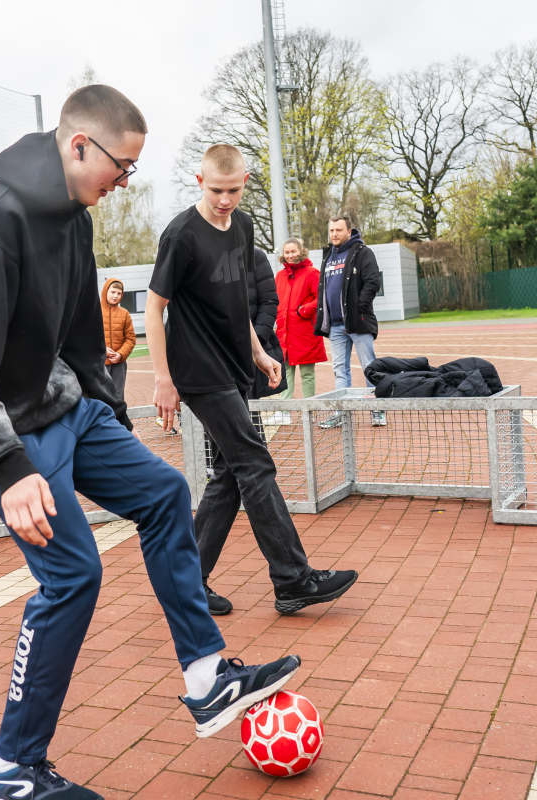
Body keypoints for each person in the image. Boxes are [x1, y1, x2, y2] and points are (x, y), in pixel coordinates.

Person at [0, 86, 301, 800]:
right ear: (79, 146)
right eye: (121, 166)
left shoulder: (75, 217)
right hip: (1, 427)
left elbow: (77, 337)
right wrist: (9, 471)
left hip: (65, 409)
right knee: (72, 577)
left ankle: (206, 681)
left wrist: (107, 416)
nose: (125, 180)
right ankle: (9, 772)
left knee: (165, 493)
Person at [147, 143, 358, 620]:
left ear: (245, 182)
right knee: (255, 465)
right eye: (217, 190)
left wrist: (260, 353)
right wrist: (163, 378)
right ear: (200, 182)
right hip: (198, 371)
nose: (225, 199)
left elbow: (234, 306)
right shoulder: (180, 235)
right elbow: (154, 309)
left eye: (234, 189)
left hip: (234, 366)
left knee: (229, 473)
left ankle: (188, 584)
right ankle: (292, 580)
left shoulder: (243, 227)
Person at [314, 215, 385, 427]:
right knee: (340, 370)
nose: (334, 234)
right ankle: (341, 414)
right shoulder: (328, 256)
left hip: (358, 322)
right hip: (335, 326)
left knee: (369, 367)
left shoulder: (363, 252)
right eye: (331, 230)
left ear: (349, 231)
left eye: (338, 230)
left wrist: (359, 307)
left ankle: (377, 411)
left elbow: (373, 282)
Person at [274, 238, 326, 422]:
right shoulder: (280, 276)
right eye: (287, 252)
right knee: (285, 370)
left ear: (301, 251)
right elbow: (275, 301)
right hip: (284, 330)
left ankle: (309, 410)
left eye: (293, 252)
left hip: (304, 330)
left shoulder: (312, 272)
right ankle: (284, 412)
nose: (290, 256)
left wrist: (303, 311)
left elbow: (321, 297)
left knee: (307, 372)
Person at [247, 247, 284, 428]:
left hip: (247, 351)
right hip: (212, 352)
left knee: (249, 418)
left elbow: (269, 301)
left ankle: (256, 454)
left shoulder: (255, 256)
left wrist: (257, 344)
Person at [101, 278, 135, 401]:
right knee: (99, 398)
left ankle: (117, 420)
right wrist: (101, 350)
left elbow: (130, 339)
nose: (116, 296)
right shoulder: (94, 311)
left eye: (119, 293)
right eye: (113, 292)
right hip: (99, 364)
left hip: (118, 365)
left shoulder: (124, 314)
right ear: (106, 291)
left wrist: (121, 354)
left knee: (117, 398)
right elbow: (85, 338)